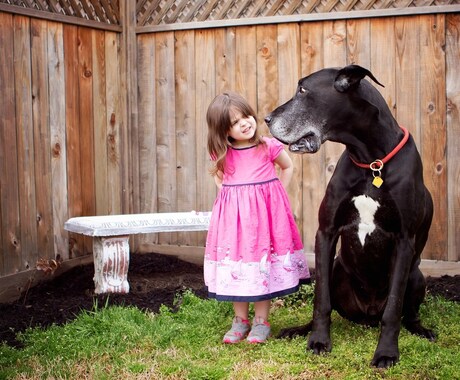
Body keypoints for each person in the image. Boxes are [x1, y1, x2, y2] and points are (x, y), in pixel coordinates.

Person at [204, 92, 310, 344]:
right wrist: (231, 199)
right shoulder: (222, 153)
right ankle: (240, 320)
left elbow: (288, 166)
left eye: (246, 115)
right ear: (224, 131)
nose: (244, 123)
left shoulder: (268, 146)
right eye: (234, 122)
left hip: (265, 220)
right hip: (235, 224)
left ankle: (261, 321)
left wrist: (276, 194)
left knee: (261, 264)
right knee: (240, 266)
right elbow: (219, 177)